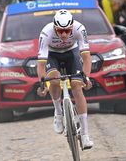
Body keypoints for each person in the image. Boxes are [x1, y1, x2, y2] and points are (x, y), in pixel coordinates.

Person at [37, 9, 94, 150]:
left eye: (67, 31)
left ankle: (85, 135)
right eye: (60, 31)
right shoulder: (46, 32)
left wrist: (86, 77)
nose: (64, 34)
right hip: (52, 54)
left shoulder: (79, 29)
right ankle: (58, 112)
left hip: (71, 53)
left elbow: (86, 57)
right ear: (54, 27)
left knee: (77, 86)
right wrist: (42, 83)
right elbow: (41, 64)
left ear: (72, 27)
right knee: (54, 81)